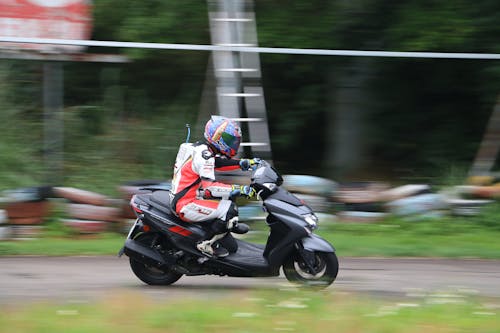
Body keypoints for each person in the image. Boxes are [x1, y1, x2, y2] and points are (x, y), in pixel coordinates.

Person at [170, 115, 260, 257]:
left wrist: (244, 163)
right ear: (218, 137)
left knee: (228, 203)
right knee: (229, 209)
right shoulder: (205, 155)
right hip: (186, 203)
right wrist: (240, 189)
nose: (234, 143)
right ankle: (204, 244)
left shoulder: (202, 149)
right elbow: (210, 188)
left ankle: (225, 227)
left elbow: (217, 164)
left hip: (187, 196)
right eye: (230, 140)